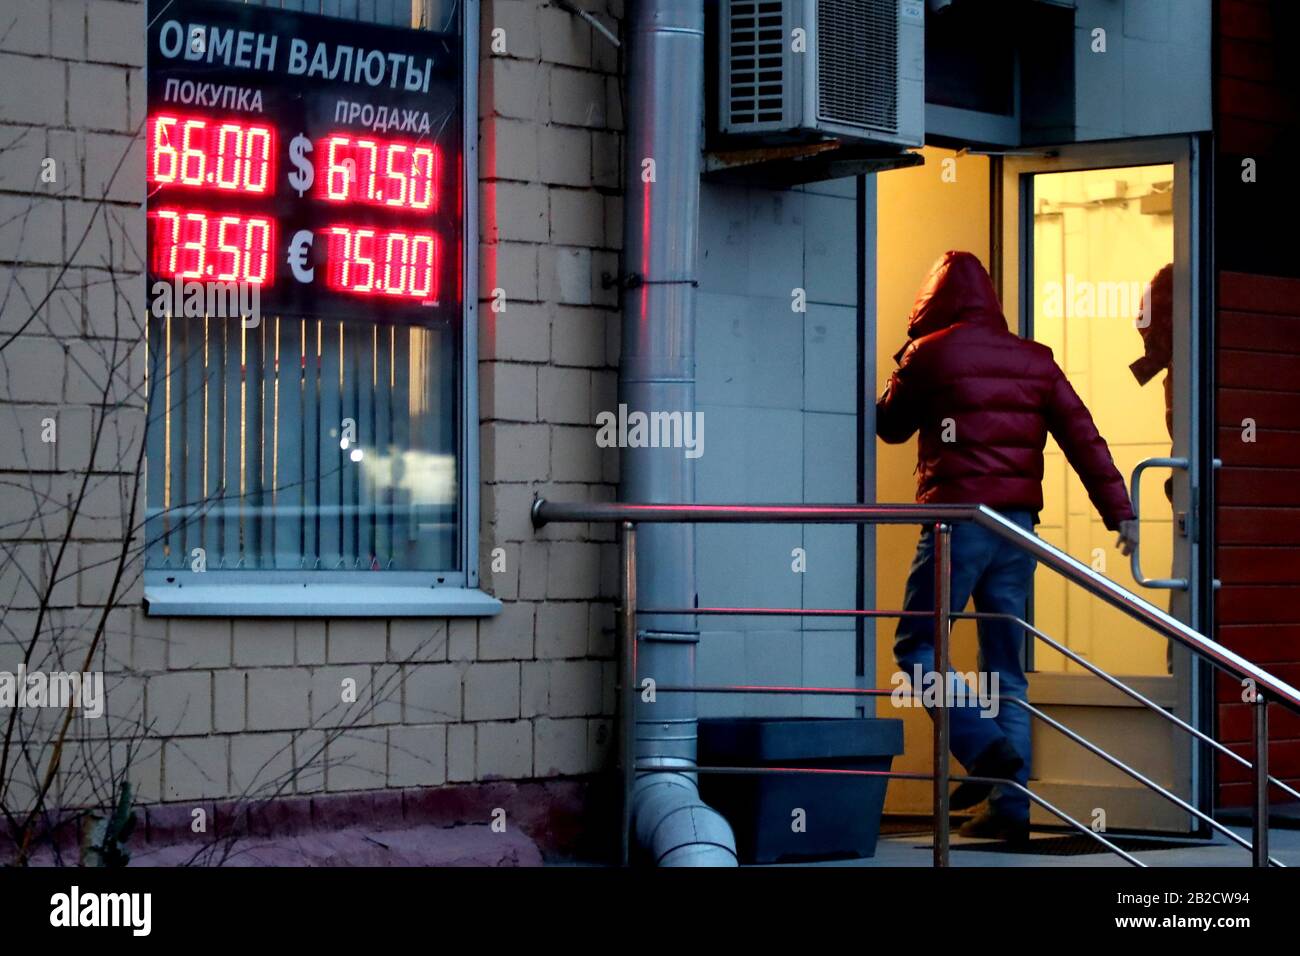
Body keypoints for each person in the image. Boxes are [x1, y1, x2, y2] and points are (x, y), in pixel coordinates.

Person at [877, 251, 1139, 842]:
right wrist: (1119, 511)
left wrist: (906, 357)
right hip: (1018, 527)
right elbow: (1082, 435)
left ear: (933, 300)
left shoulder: (932, 353)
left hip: (957, 521)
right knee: (1006, 666)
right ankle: (1010, 809)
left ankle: (984, 748)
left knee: (916, 647)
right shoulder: (1034, 360)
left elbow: (890, 425)